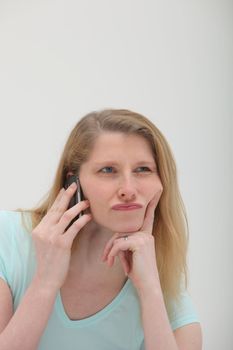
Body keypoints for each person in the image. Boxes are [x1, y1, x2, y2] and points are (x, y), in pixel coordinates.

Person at [0, 109, 202, 350]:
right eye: (108, 170)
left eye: (143, 169)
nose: (128, 189)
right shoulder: (8, 238)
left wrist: (149, 290)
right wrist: (45, 282)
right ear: (73, 184)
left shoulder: (161, 279)